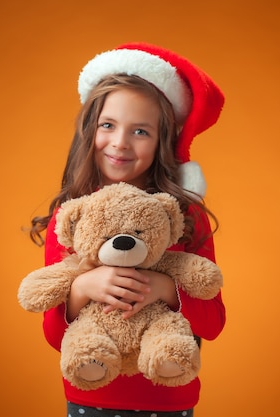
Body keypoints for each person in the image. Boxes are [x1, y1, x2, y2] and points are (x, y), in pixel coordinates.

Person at [28, 42, 226, 417]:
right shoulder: (70, 220)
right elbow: (55, 338)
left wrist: (166, 289)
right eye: (108, 125)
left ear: (161, 142)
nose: (119, 142)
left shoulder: (184, 218)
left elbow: (213, 324)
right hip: (91, 396)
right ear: (90, 130)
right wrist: (81, 289)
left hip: (169, 398)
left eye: (140, 131)